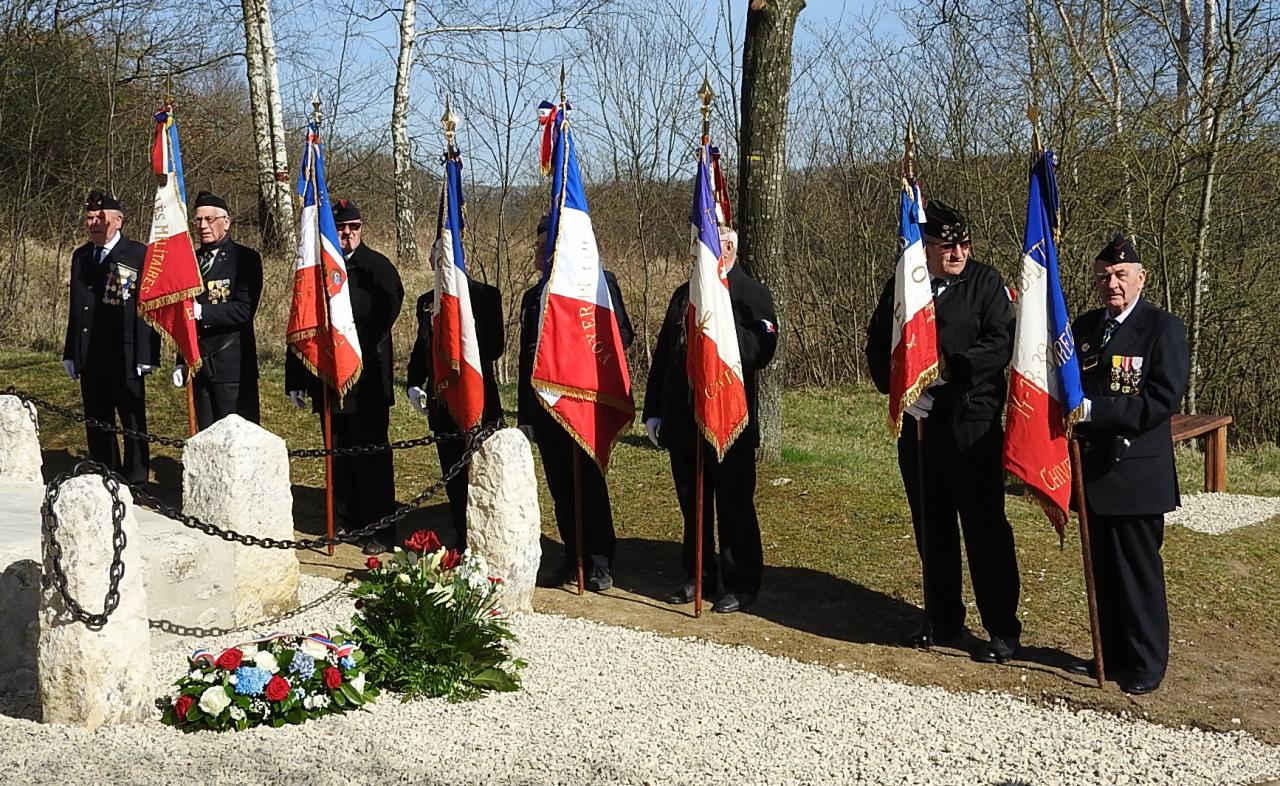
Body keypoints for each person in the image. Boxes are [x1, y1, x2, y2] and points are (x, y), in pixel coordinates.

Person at [864, 199, 1023, 663]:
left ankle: (1001, 627)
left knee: (984, 527)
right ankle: (942, 616)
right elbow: (880, 338)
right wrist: (899, 387)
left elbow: (1001, 341)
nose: (957, 253)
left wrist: (952, 370)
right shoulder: (906, 285)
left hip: (970, 424)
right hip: (920, 424)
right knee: (931, 524)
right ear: (925, 248)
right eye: (947, 246)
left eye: (964, 245)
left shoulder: (987, 284)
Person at [1067, 235, 1188, 695]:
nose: (1111, 284)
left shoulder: (1162, 328)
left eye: (1120, 275)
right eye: (1103, 276)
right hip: (1093, 471)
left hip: (1135, 471)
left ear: (1141, 278)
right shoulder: (1084, 327)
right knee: (1104, 573)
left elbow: (1161, 399)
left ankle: (1146, 662)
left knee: (1138, 575)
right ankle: (1110, 654)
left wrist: (1095, 412)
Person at [644, 228, 778, 614]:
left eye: (716, 240)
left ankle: (741, 582)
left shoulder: (752, 294)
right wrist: (654, 409)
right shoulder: (684, 294)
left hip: (729, 420)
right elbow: (665, 354)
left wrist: (719, 314)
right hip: (684, 420)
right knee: (693, 503)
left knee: (734, 505)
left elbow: (761, 350)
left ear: (731, 246)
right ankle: (698, 574)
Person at [518, 215, 633, 591]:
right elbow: (526, 359)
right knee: (561, 488)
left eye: (543, 245)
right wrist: (525, 416)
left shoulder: (597, 284)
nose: (536, 252)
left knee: (588, 485)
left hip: (582, 404)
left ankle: (599, 561)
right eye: (535, 245)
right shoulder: (532, 297)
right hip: (545, 405)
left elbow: (623, 338)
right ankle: (572, 557)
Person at [286, 200, 404, 554]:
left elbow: (384, 317)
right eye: (341, 228)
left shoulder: (377, 269)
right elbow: (302, 323)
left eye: (354, 227)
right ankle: (348, 522)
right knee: (338, 457)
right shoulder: (317, 270)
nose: (348, 234)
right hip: (328, 381)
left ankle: (380, 528)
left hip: (366, 381)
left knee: (371, 458)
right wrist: (296, 376)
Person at [405, 244, 506, 551]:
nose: (441, 266)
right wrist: (413, 382)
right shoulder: (426, 302)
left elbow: (494, 348)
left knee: (486, 477)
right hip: (443, 406)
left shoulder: (486, 297)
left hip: (480, 403)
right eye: (437, 261)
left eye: (448, 260)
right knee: (454, 478)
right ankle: (463, 538)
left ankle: (490, 540)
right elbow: (421, 349)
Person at [62, 190, 159, 485]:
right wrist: (70, 351)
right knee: (97, 419)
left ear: (118, 221)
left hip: (126, 353)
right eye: (89, 218)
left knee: (131, 419)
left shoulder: (138, 255)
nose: (94, 223)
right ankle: (104, 473)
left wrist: (148, 354)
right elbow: (77, 309)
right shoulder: (82, 256)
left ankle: (138, 478)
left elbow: (148, 309)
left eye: (100, 218)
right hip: (90, 353)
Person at [172, 191, 263, 429]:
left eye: (209, 219)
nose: (203, 226)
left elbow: (244, 310)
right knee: (206, 437)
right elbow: (184, 315)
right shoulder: (190, 260)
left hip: (232, 366)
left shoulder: (245, 259)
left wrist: (202, 312)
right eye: (198, 220)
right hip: (198, 363)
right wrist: (181, 360)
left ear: (226, 222)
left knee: (238, 439)